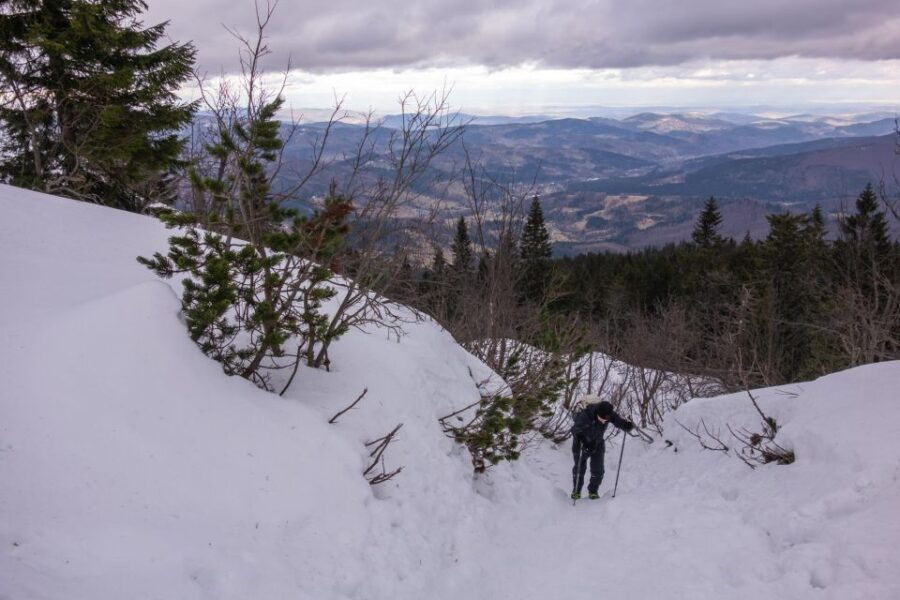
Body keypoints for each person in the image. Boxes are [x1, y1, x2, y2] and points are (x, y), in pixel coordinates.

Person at [570, 398, 634, 500]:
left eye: (606, 420)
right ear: (597, 413)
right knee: (579, 469)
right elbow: (575, 430)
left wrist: (625, 425)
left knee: (598, 470)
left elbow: (617, 420)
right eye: (602, 418)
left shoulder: (608, 414)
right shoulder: (585, 415)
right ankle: (576, 491)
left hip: (598, 443)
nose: (604, 421)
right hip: (581, 443)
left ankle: (593, 491)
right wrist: (585, 441)